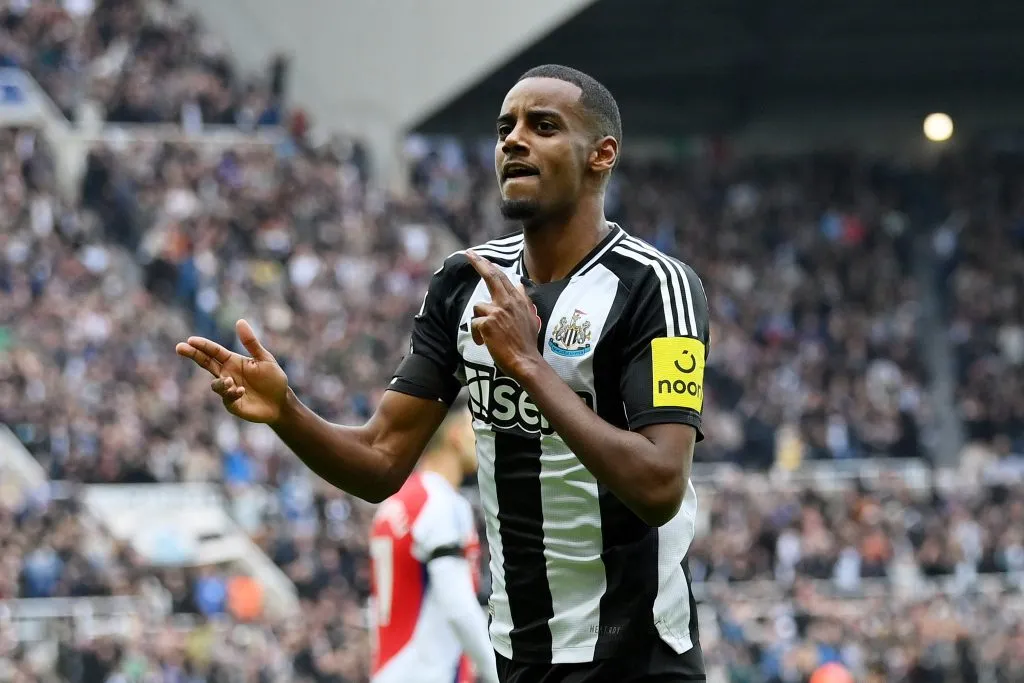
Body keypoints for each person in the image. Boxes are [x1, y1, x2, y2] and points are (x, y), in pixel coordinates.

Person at [177, 63, 710, 682]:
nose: (513, 140)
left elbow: (659, 485)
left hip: (635, 656)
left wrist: (529, 367)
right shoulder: (463, 283)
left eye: (543, 126)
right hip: (519, 654)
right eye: (505, 127)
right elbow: (381, 460)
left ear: (601, 154)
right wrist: (287, 412)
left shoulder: (657, 287)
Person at [368, 405, 497, 683]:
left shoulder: (396, 502)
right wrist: (497, 673)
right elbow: (458, 605)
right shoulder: (442, 504)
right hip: (430, 671)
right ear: (454, 434)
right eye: (472, 427)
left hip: (390, 669)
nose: (481, 437)